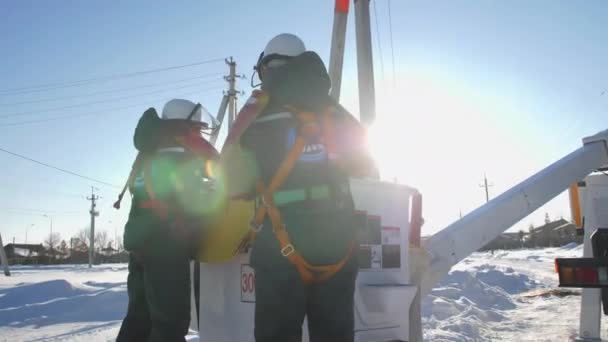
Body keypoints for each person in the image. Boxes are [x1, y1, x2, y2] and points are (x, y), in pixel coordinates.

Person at [222, 33, 375, 342]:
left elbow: (232, 182)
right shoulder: (335, 111)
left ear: (266, 68)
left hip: (279, 250)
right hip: (339, 246)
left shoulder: (257, 111)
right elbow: (365, 166)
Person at [115, 99, 220, 342]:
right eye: (195, 129)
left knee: (138, 320)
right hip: (166, 252)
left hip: (141, 248)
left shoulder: (147, 157)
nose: (198, 135)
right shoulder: (182, 160)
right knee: (170, 325)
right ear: (182, 129)